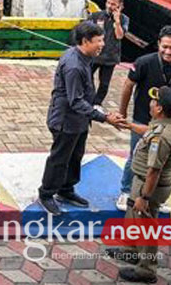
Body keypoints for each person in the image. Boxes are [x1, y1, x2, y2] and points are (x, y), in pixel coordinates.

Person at [37, 21, 125, 216]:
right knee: (60, 158)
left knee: (75, 156)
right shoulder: (74, 66)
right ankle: (46, 193)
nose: (102, 44)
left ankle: (66, 189)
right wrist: (104, 117)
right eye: (99, 41)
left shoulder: (84, 56)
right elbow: (75, 101)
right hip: (65, 121)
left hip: (80, 121)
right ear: (85, 41)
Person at [106, 86, 171, 284]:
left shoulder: (163, 138)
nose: (151, 102)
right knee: (133, 217)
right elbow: (150, 130)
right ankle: (131, 251)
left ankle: (147, 269)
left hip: (149, 186)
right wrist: (130, 126)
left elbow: (154, 171)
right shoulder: (170, 122)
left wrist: (144, 197)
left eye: (154, 101)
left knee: (146, 225)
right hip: (142, 182)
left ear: (159, 109)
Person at [116, 25, 171, 211]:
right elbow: (128, 86)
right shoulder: (144, 62)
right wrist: (122, 113)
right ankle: (126, 190)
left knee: (165, 160)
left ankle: (156, 195)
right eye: (164, 46)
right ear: (158, 44)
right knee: (136, 155)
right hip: (143, 117)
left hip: (169, 122)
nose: (168, 51)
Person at [87, 0, 129, 106]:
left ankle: (97, 103)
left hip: (110, 57)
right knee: (87, 78)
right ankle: (88, 99)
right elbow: (86, 33)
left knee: (104, 84)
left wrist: (117, 21)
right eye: (108, 2)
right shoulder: (96, 16)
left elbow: (119, 35)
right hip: (95, 55)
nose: (109, 6)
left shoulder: (124, 19)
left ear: (120, 6)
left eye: (113, 4)